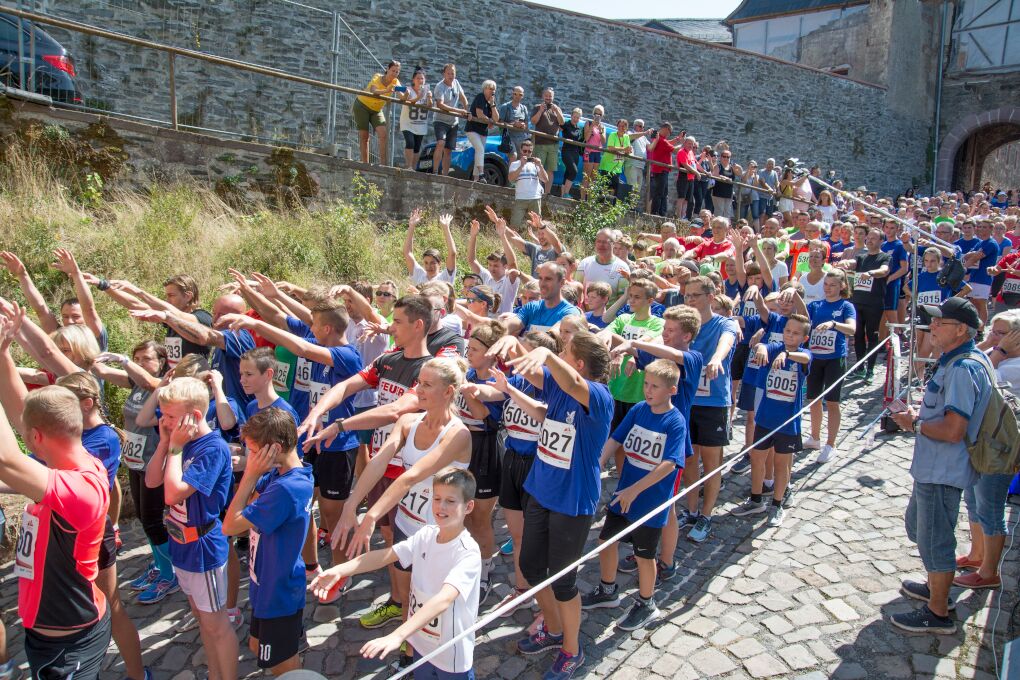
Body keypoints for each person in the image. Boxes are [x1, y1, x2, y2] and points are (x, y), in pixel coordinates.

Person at [332, 357, 472, 668]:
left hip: (440, 534)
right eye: (418, 382)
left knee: (434, 602)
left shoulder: (458, 434)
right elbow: (380, 461)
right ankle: (410, 655)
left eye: (426, 385)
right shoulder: (408, 422)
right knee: (410, 593)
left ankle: (442, 660)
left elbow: (410, 477)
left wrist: (369, 517)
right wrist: (350, 505)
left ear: (449, 392)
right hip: (408, 524)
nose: (418, 390)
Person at [508, 331, 612, 678]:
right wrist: (509, 343)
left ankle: (572, 649)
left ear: (578, 363)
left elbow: (571, 380)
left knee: (564, 581)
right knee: (533, 568)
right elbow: (531, 372)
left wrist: (546, 354)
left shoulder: (597, 395)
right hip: (541, 490)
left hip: (572, 500)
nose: (558, 354)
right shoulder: (558, 386)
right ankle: (552, 631)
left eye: (564, 352)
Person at [311, 468, 480, 678]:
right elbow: (387, 555)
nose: (441, 507)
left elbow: (444, 600)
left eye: (450, 501)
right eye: (437, 498)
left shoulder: (468, 552)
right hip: (420, 643)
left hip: (449, 653)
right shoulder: (426, 534)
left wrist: (398, 635)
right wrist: (340, 570)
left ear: (468, 506)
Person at [890, 297, 991, 635]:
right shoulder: (957, 360)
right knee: (920, 528)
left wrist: (915, 424)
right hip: (934, 467)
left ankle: (938, 612)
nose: (931, 326)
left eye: (939, 322)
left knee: (935, 540)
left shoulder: (964, 368)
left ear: (961, 329)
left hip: (943, 469)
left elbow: (952, 430)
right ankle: (938, 587)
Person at [0, 375, 111, 680]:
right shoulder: (69, 463)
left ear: (36, 438)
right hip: (50, 633)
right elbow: (29, 414)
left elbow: (5, 458)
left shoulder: (78, 488)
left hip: (70, 641)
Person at [146, 376, 238, 679]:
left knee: (217, 625)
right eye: (163, 415)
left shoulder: (211, 449)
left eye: (170, 417)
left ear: (194, 416)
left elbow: (172, 493)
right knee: (202, 620)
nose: (165, 421)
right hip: (181, 547)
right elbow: (151, 482)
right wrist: (164, 443)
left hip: (203, 550)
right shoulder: (177, 442)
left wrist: (174, 448)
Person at [582, 359, 685, 630]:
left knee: (644, 555)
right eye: (646, 385)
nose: (648, 391)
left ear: (671, 390)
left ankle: (646, 602)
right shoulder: (639, 410)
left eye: (655, 387)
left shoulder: (675, 422)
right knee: (606, 541)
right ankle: (607, 590)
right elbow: (616, 438)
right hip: (623, 495)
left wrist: (635, 490)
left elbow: (670, 464)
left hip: (649, 502)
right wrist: (599, 463)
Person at [221, 408, 314, 676]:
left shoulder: (285, 488)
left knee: (282, 667)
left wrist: (249, 475)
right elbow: (247, 504)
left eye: (253, 451)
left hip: (278, 593)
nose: (250, 457)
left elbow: (231, 524)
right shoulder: (283, 474)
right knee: (255, 645)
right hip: (265, 586)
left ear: (273, 449)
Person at [92, 342, 180, 604]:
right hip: (135, 460)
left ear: (162, 362)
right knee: (144, 518)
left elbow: (151, 382)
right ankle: (159, 564)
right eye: (136, 358)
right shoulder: (136, 384)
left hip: (154, 461)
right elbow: (102, 371)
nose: (140, 363)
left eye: (146, 359)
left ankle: (170, 574)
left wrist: (123, 360)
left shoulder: (164, 388)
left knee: (153, 520)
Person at [731, 314, 812, 527]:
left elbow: (806, 359)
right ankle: (756, 499)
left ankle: (777, 504)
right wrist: (763, 349)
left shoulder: (804, 353)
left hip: (788, 423)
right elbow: (761, 348)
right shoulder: (775, 347)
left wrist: (788, 354)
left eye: (795, 333)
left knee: (781, 464)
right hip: (764, 419)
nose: (790, 336)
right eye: (787, 331)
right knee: (757, 460)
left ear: (804, 338)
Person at [681, 276, 739, 543]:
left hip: (714, 402)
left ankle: (706, 515)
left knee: (711, 463)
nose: (690, 300)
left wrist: (716, 358)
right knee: (689, 459)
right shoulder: (685, 326)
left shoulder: (723, 323)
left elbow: (726, 342)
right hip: (687, 401)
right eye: (687, 295)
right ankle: (691, 510)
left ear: (711, 297)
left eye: (695, 295)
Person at [804, 271, 857, 462]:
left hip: (835, 358)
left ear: (842, 286)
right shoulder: (816, 305)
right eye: (826, 284)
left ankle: (831, 444)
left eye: (832, 285)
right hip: (815, 357)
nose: (828, 288)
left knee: (832, 401)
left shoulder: (846, 306)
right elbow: (802, 319)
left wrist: (834, 324)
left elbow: (852, 329)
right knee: (813, 399)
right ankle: (815, 437)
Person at [838, 229, 891, 382]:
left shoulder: (885, 257)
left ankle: (871, 369)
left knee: (872, 336)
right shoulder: (861, 257)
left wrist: (872, 273)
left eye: (874, 238)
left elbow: (884, 270)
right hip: (858, 302)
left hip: (874, 303)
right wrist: (846, 262)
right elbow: (853, 263)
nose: (869, 241)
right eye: (868, 238)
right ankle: (860, 367)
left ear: (881, 241)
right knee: (858, 335)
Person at [503, 261, 580, 335]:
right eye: (540, 278)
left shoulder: (570, 312)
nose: (542, 284)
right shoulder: (532, 307)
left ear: (562, 282)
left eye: (548, 279)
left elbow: (553, 337)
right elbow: (510, 325)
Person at [468, 218, 521, 315]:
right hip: (485, 322)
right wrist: (473, 236)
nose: (492, 268)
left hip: (502, 324)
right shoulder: (487, 277)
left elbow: (513, 264)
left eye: (496, 265)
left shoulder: (509, 279)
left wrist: (503, 235)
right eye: (490, 265)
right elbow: (472, 261)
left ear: (505, 266)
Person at [354, 60, 400, 165]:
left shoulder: (395, 82)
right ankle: (365, 164)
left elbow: (402, 96)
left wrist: (407, 93)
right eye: (393, 71)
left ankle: (383, 165)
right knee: (365, 136)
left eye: (397, 72)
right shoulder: (377, 77)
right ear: (387, 69)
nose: (395, 74)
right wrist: (387, 90)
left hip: (376, 110)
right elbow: (373, 90)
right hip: (362, 105)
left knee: (383, 133)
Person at [403, 208, 458, 286]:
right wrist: (411, 226)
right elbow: (407, 253)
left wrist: (446, 228)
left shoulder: (445, 277)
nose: (429, 266)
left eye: (432, 263)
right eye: (426, 263)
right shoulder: (419, 275)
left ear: (439, 264)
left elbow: (452, 253)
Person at [432, 64, 469, 177]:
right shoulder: (440, 86)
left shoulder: (456, 83)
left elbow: (463, 98)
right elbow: (440, 104)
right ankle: (434, 172)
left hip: (453, 122)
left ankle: (445, 175)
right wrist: (458, 110)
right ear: (444, 74)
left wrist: (466, 109)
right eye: (448, 73)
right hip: (440, 120)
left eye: (453, 73)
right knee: (440, 143)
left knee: (448, 150)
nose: (451, 75)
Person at [505, 209, 564, 277]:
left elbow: (556, 243)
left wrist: (541, 225)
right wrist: (497, 222)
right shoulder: (535, 249)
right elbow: (513, 237)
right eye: (539, 233)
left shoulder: (558, 250)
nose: (540, 237)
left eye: (543, 233)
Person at [576, 229, 631, 302]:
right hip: (585, 312)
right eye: (599, 241)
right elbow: (576, 290)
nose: (601, 245)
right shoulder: (585, 263)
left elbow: (622, 298)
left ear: (613, 244)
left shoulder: (622, 267)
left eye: (605, 242)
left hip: (611, 312)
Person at [530, 87, 564, 195]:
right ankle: (537, 191)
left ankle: (547, 193)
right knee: (539, 168)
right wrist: (540, 110)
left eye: (550, 96)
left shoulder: (557, 108)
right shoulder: (537, 107)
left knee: (550, 169)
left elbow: (562, 122)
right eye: (547, 96)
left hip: (553, 145)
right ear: (543, 96)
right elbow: (533, 121)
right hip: (540, 143)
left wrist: (557, 112)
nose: (548, 98)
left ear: (553, 97)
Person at [507, 139, 548, 229]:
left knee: (537, 227)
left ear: (532, 152)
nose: (527, 153)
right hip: (521, 198)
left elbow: (545, 179)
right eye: (525, 151)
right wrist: (521, 165)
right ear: (521, 151)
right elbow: (511, 179)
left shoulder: (536, 165)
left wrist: (540, 165)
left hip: (535, 198)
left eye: (529, 151)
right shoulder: (515, 164)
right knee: (514, 225)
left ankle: (536, 242)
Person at [466, 80, 500, 183]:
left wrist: (493, 105)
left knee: (479, 152)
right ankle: (481, 174)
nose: (492, 91)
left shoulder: (491, 102)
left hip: (483, 131)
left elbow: (496, 118)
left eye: (494, 89)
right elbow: (479, 113)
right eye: (490, 89)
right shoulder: (480, 97)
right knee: (480, 149)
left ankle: (476, 179)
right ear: (485, 89)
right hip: (472, 129)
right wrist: (489, 120)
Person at [398, 67, 432, 170]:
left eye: (422, 78)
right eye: (418, 78)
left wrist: (429, 98)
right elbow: (409, 102)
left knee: (417, 147)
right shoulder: (409, 90)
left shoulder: (427, 91)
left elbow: (430, 106)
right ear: (413, 80)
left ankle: (413, 168)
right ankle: (408, 166)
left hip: (420, 124)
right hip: (408, 123)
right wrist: (419, 97)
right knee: (410, 142)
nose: (420, 81)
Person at [498, 85, 530, 165]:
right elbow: (499, 123)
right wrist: (514, 124)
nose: (517, 96)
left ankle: (518, 177)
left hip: (521, 138)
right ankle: (510, 177)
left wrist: (523, 125)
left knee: (522, 160)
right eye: (515, 94)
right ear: (512, 94)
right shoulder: (505, 107)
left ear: (522, 96)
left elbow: (526, 125)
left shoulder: (524, 108)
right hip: (509, 137)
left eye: (520, 95)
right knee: (513, 156)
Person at [580, 106, 607, 201]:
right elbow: (586, 138)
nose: (598, 116)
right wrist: (592, 126)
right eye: (596, 113)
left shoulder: (603, 126)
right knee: (586, 176)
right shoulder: (588, 123)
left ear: (602, 116)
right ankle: (583, 199)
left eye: (600, 114)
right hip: (589, 152)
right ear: (593, 114)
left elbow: (603, 142)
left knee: (593, 177)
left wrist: (600, 131)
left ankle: (590, 200)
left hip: (597, 153)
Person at [559, 108, 584, 198]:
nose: (576, 119)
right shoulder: (566, 124)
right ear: (571, 116)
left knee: (568, 172)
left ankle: (562, 195)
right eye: (574, 117)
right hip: (566, 151)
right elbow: (558, 127)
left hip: (575, 153)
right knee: (574, 171)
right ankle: (566, 193)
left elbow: (581, 140)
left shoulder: (578, 128)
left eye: (578, 117)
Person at [674, 136, 701, 220]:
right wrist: (696, 173)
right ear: (685, 143)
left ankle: (683, 217)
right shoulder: (682, 152)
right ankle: (678, 217)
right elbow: (685, 164)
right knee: (681, 198)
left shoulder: (691, 153)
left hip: (691, 178)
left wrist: (705, 172)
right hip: (683, 177)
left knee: (687, 200)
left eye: (692, 144)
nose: (690, 145)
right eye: (689, 143)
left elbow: (695, 164)